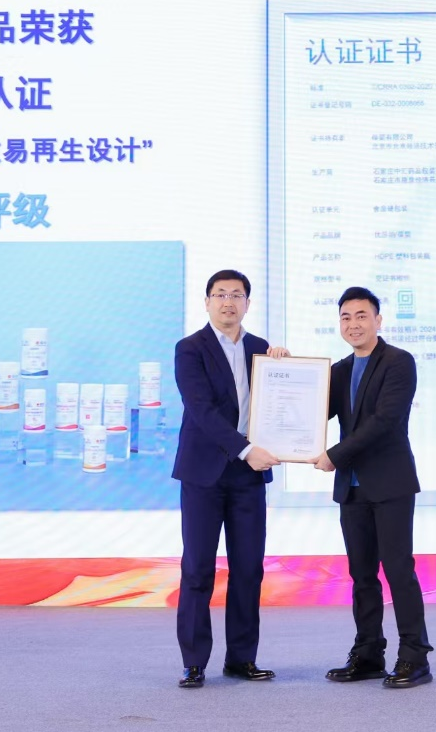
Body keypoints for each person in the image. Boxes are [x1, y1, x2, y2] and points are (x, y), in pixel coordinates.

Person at [312, 286, 433, 688]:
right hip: (353, 488)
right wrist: (280, 368)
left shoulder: (399, 362)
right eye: (346, 317)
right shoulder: (341, 370)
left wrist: (334, 455)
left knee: (398, 571)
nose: (353, 324)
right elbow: (308, 411)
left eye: (361, 315)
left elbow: (384, 421)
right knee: (362, 575)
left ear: (378, 320)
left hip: (390, 482)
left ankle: (415, 657)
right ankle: (367, 654)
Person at [172, 269, 284, 689]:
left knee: (249, 569)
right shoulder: (190, 349)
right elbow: (201, 411)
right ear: (207, 302)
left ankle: (241, 659)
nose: (228, 302)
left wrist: (286, 369)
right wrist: (246, 448)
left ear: (247, 304)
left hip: (248, 476)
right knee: (198, 569)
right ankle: (194, 661)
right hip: (204, 474)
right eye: (220, 294)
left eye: (237, 295)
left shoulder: (261, 349)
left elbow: (278, 401)